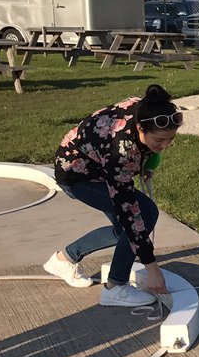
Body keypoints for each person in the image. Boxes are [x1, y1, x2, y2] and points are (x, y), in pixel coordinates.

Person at [43, 84, 182, 306]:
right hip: (77, 175)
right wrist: (152, 268)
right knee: (144, 213)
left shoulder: (147, 108)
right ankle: (115, 288)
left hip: (96, 164)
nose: (165, 146)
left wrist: (147, 163)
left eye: (170, 140)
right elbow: (130, 213)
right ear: (140, 128)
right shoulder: (121, 151)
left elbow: (145, 147)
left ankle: (63, 260)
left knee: (123, 233)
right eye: (159, 141)